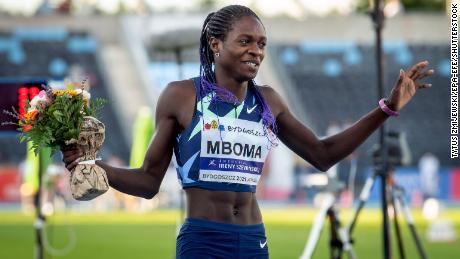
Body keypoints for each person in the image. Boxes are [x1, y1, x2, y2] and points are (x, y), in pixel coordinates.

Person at [61, 5, 434, 258]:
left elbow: (323, 155)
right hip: (202, 242)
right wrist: (95, 167)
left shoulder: (269, 101)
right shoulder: (181, 96)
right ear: (216, 44)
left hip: (254, 241)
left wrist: (386, 108)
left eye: (262, 44)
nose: (256, 51)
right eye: (245, 41)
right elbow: (147, 182)